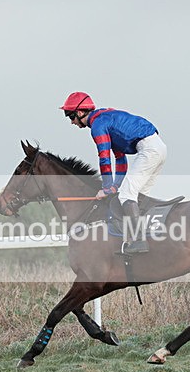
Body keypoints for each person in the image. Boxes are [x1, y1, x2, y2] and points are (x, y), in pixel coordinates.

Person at [60, 91, 167, 254]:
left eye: (71, 117)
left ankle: (139, 241)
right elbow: (120, 159)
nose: (72, 122)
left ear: (80, 112)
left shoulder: (97, 125)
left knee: (126, 196)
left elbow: (104, 158)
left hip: (149, 149)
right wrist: (115, 186)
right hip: (158, 147)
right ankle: (148, 239)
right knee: (137, 198)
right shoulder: (105, 119)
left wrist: (107, 187)